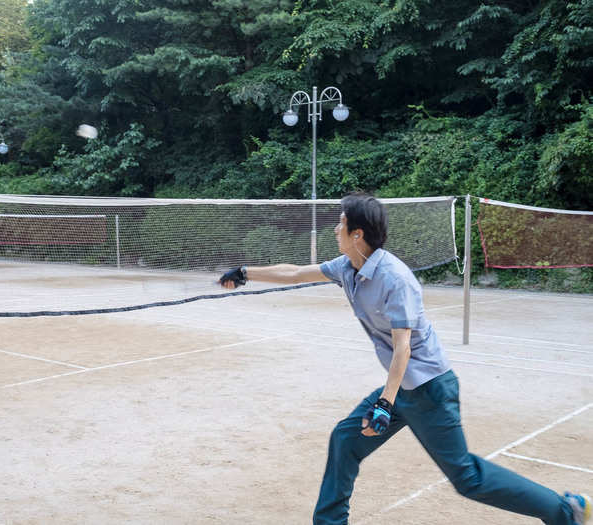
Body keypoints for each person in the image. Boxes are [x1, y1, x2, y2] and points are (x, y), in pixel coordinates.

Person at [219, 193, 590, 525]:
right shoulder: (348, 267)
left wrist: (384, 403)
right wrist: (245, 272)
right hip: (402, 390)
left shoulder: (395, 279)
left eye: (341, 223)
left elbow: (403, 348)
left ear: (358, 234)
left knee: (467, 478)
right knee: (346, 440)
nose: (336, 229)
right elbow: (296, 272)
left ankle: (564, 510)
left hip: (428, 390)